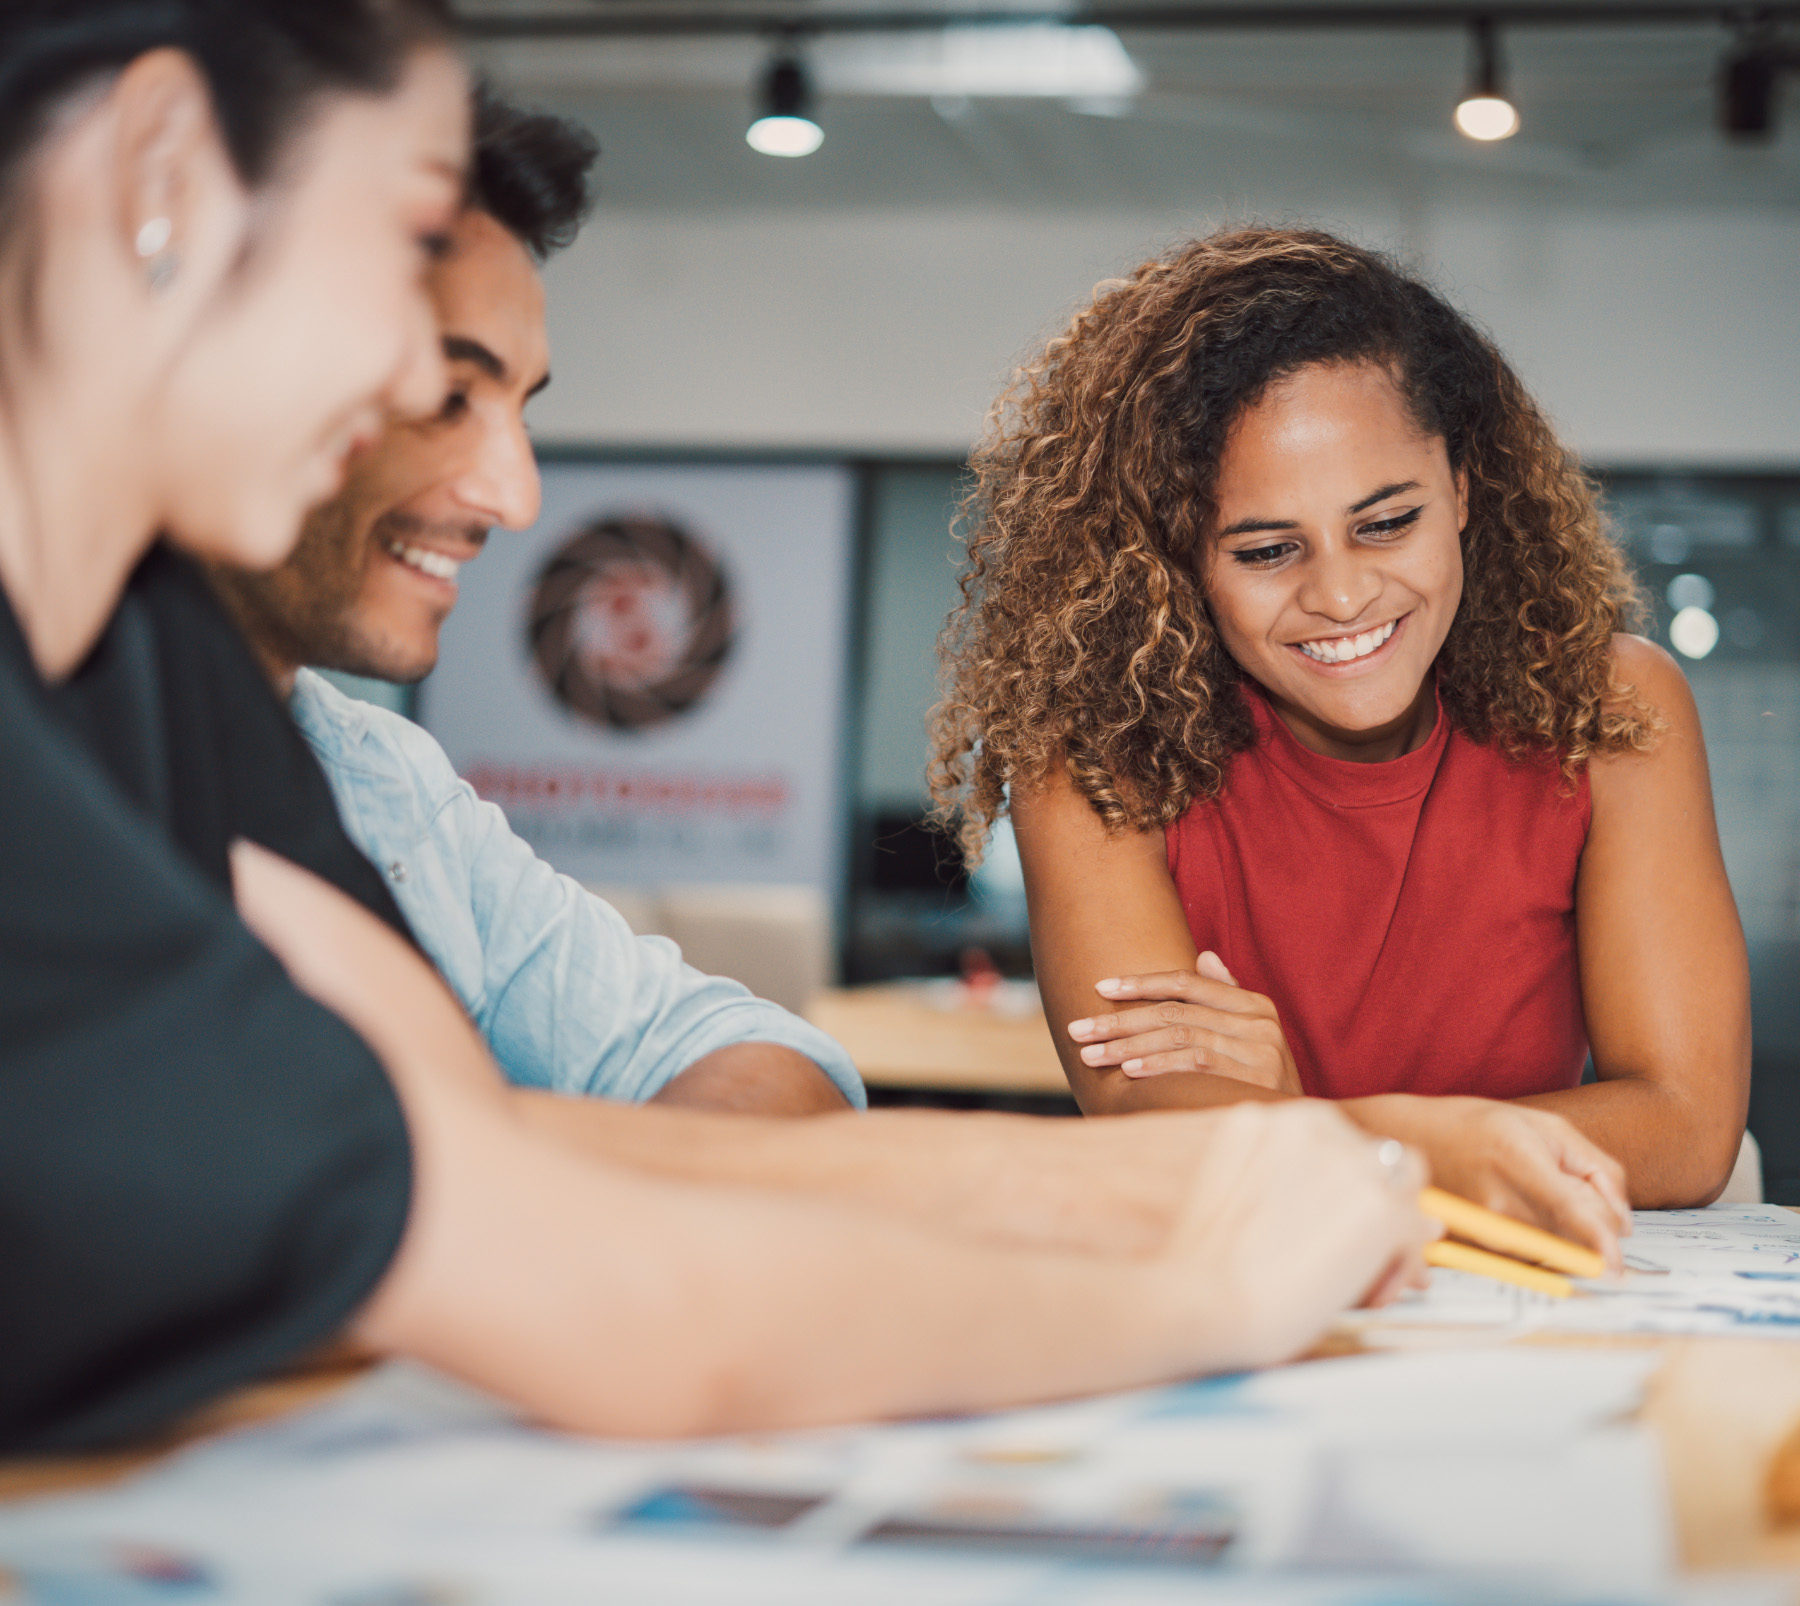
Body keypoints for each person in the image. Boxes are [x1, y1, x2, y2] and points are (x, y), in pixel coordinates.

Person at [0, 3, 1434, 1454]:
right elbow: (587, 1285)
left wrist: (1195, 1177)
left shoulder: (164, 675)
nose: (441, 423)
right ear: (163, 174)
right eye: (401, 243)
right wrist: (1218, 1284)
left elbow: (465, 1142)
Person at [931, 226, 1751, 1269]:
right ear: (1180, 559)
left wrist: (1298, 1110)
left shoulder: (1614, 709)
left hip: (1540, 1302)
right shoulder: (1091, 756)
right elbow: (1156, 1129)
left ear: (1460, 489)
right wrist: (1450, 1140)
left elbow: (1686, 1128)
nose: (1343, 594)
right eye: (1268, 549)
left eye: (1385, 521)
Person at [207, 89, 858, 1118]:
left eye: (519, 406)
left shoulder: (385, 785)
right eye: (448, 396)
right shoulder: (68, 776)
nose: (516, 497)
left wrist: (530, 1175)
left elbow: (761, 1055)